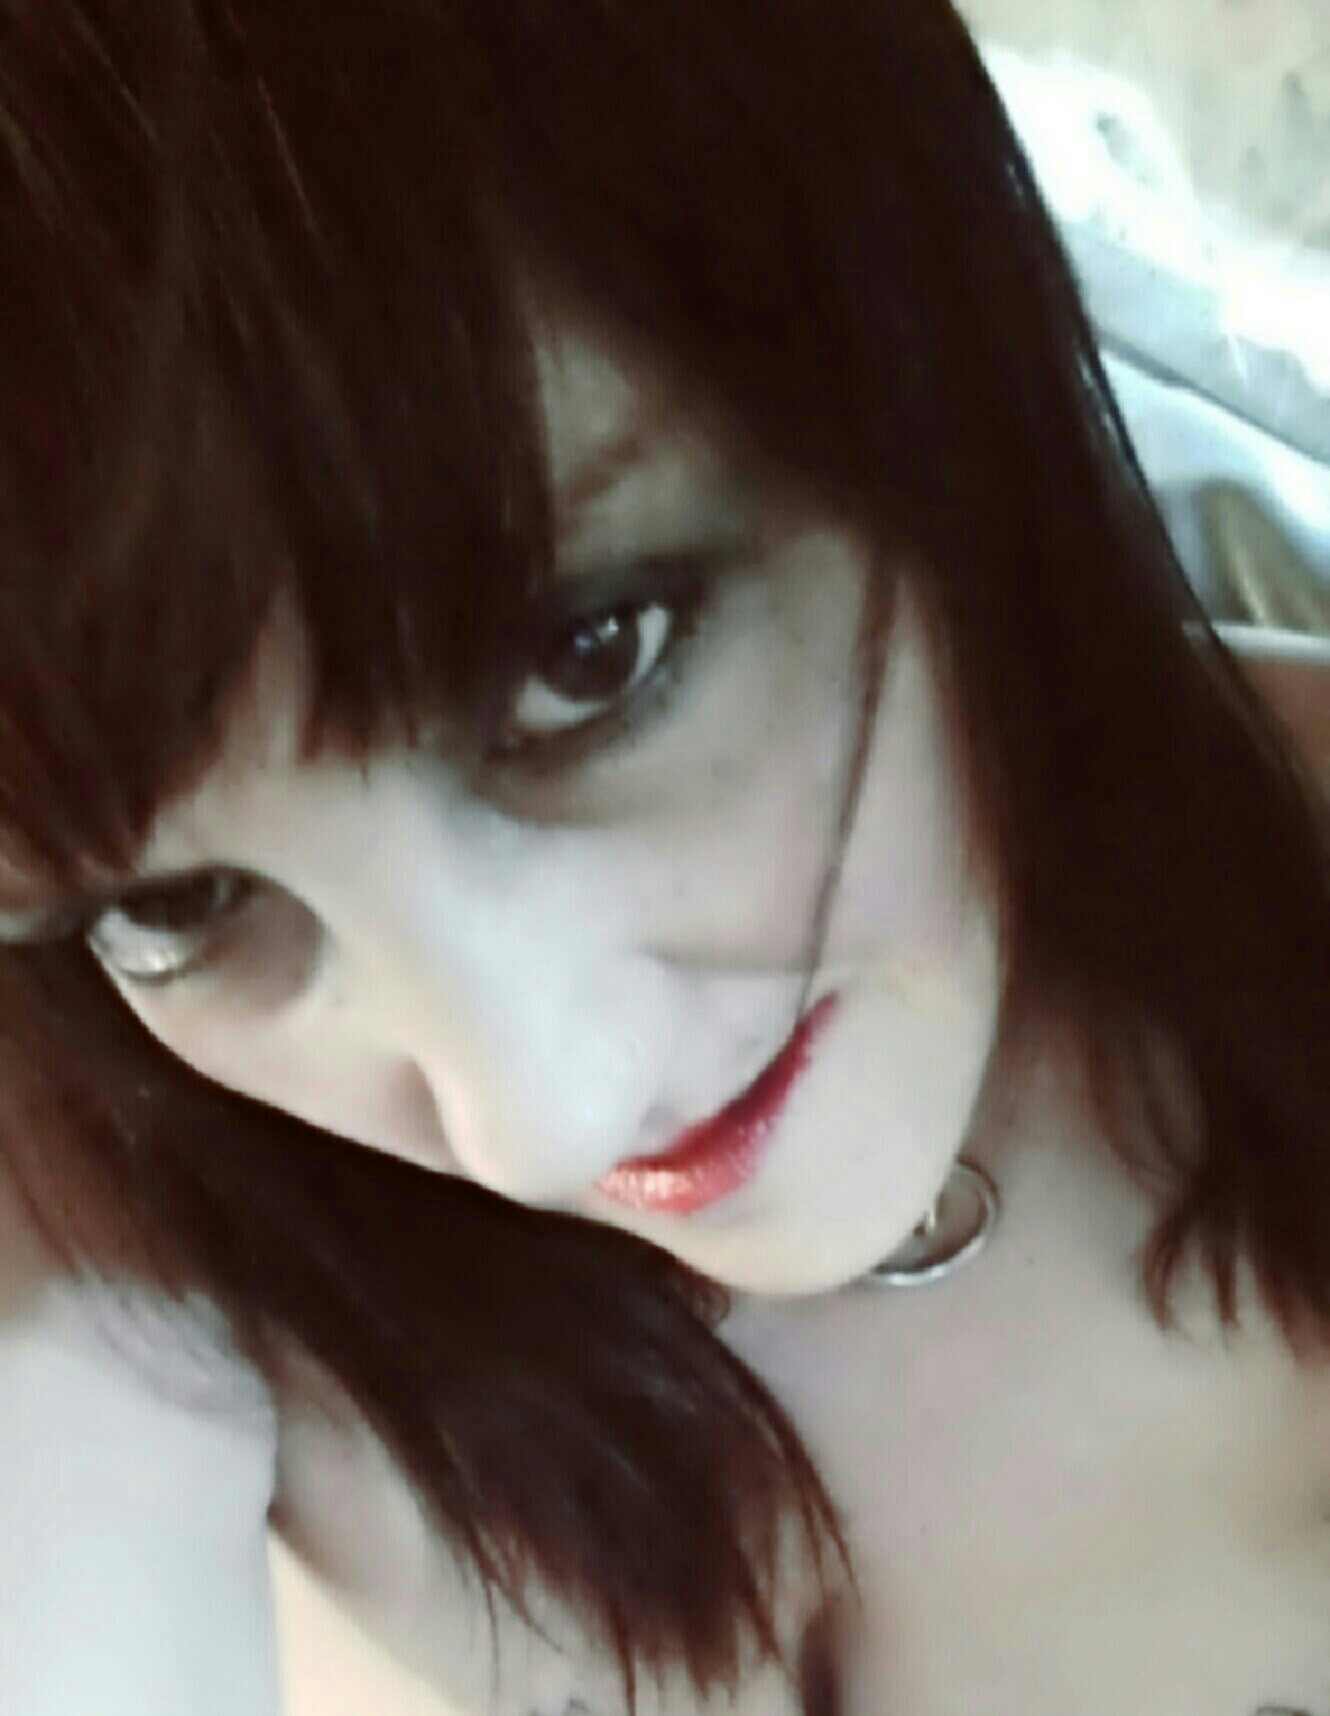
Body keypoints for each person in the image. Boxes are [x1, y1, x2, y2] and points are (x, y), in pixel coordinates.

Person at [0, 2, 1327, 1712]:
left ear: (900, 321)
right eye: (175, 904)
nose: (539, 1118)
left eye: (590, 658)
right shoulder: (139, 1275)